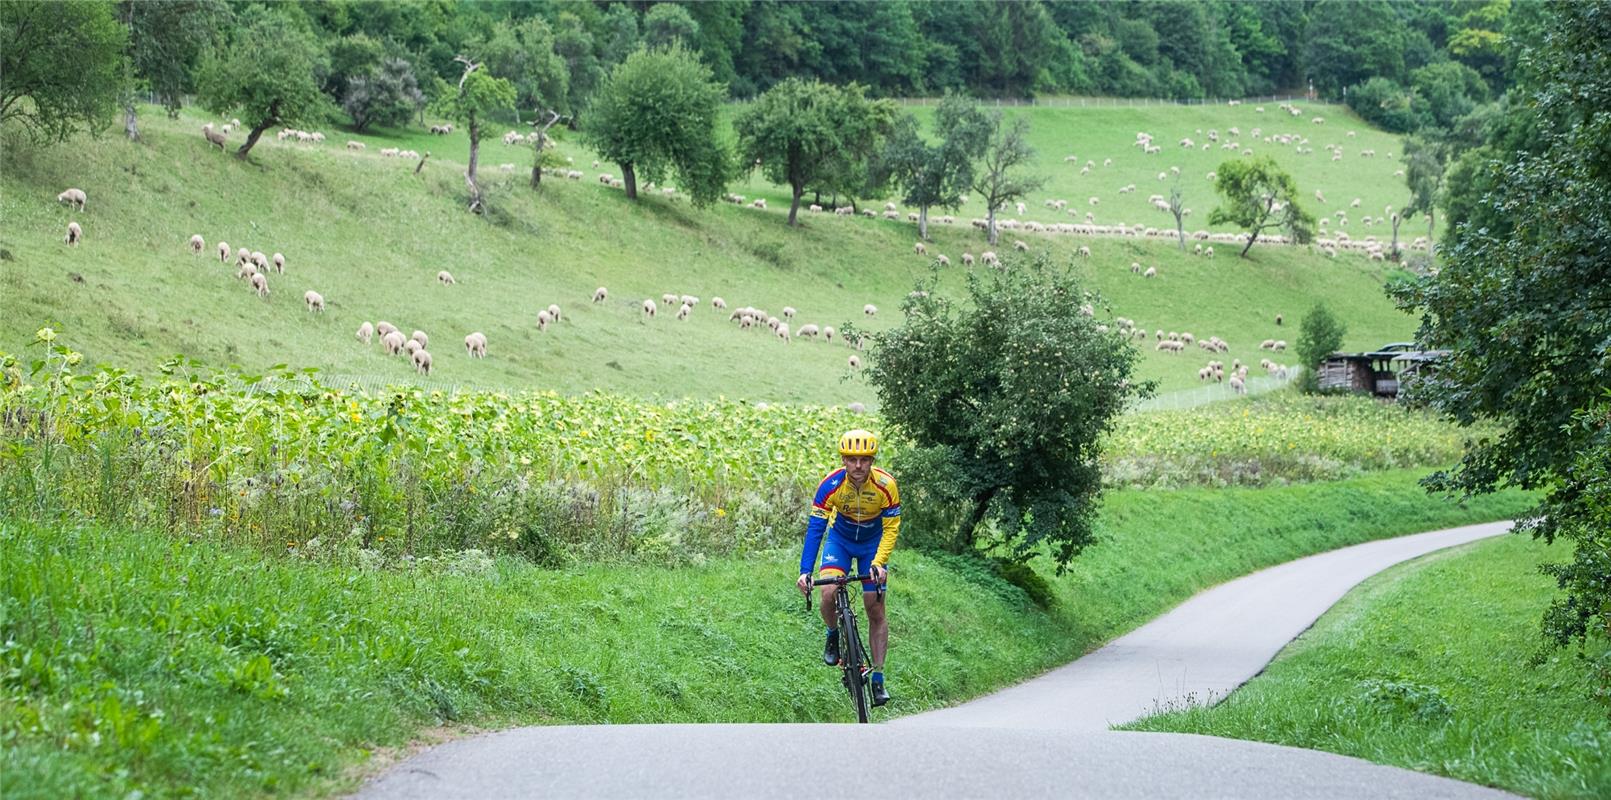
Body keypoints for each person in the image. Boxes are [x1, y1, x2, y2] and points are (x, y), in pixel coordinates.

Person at [797, 428, 900, 706]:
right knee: (828, 591)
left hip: (872, 545)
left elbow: (891, 530)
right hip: (840, 541)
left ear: (872, 460)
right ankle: (833, 635)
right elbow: (816, 529)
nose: (857, 466)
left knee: (874, 606)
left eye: (864, 460)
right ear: (843, 459)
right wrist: (805, 570)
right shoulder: (830, 485)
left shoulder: (885, 485)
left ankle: (878, 679)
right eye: (851, 459)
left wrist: (879, 563)